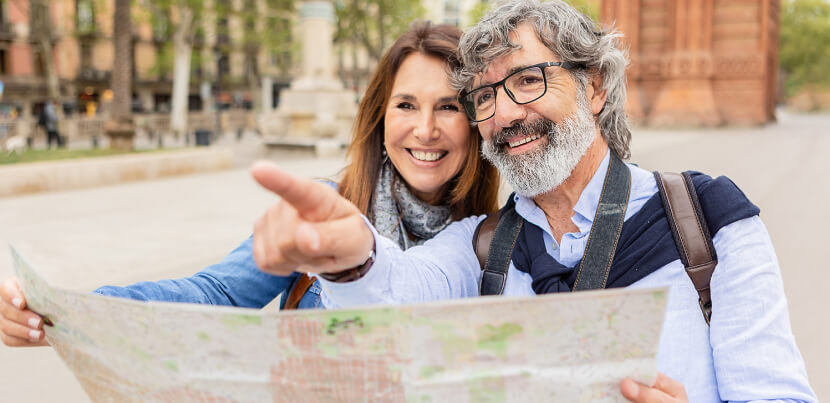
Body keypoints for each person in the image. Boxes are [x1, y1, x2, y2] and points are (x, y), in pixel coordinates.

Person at [247, 1, 817, 402]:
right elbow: (399, 290)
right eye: (486, 96)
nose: (507, 114)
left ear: (594, 87)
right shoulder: (484, 246)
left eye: (528, 81)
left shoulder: (707, 222)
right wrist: (353, 255)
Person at [0, 22, 500, 346]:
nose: (426, 129)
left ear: (477, 120)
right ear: (379, 116)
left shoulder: (496, 241)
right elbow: (213, 292)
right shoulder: (324, 209)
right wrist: (72, 311)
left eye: (449, 107)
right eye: (406, 105)